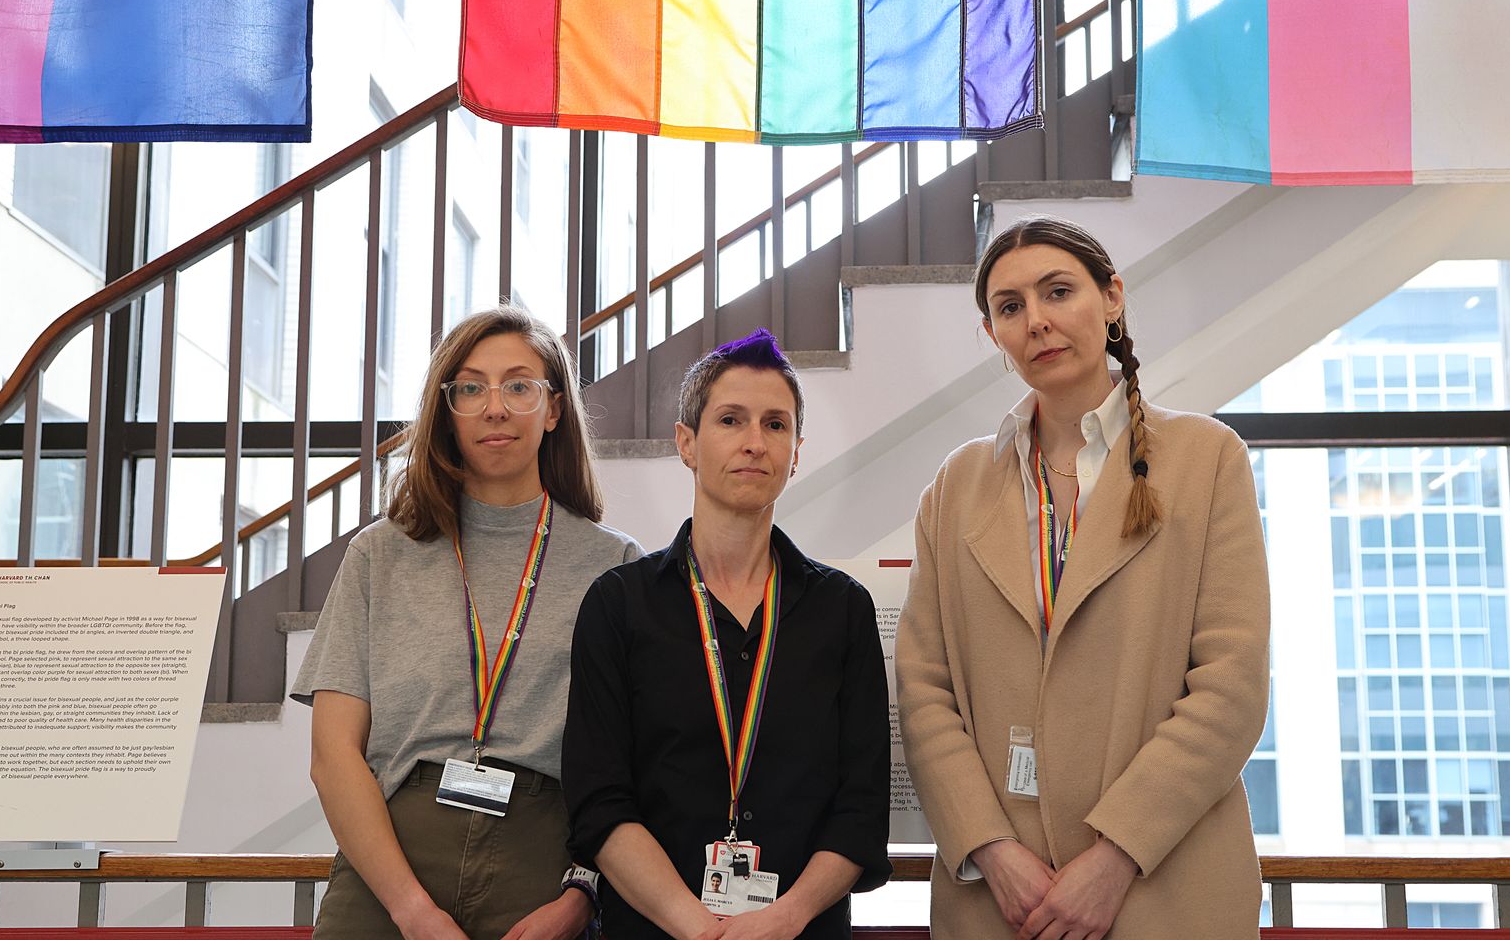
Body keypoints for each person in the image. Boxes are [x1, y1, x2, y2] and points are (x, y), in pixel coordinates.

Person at [896, 217, 1271, 939]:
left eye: (1057, 291)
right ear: (993, 334)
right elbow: (924, 691)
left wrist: (1115, 858)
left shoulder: (1206, 459)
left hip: (1164, 887)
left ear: (1112, 298)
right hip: (1000, 901)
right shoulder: (958, 484)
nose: (1036, 320)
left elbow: (1231, 687)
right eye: (1010, 308)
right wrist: (992, 849)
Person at [294, 306, 641, 940]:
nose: (495, 407)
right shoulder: (379, 554)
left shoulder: (615, 565)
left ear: (555, 409)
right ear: (447, 411)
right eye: (470, 388)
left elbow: (636, 762)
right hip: (393, 861)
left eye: (519, 385)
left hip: (546, 863)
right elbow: (332, 754)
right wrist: (412, 911)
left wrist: (581, 897)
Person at [563, 329, 891, 940]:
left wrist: (783, 919)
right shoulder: (619, 604)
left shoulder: (841, 609)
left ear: (795, 453)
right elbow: (599, 802)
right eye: (731, 420)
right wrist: (697, 927)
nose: (753, 442)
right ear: (686, 443)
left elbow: (861, 809)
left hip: (801, 932)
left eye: (775, 424)